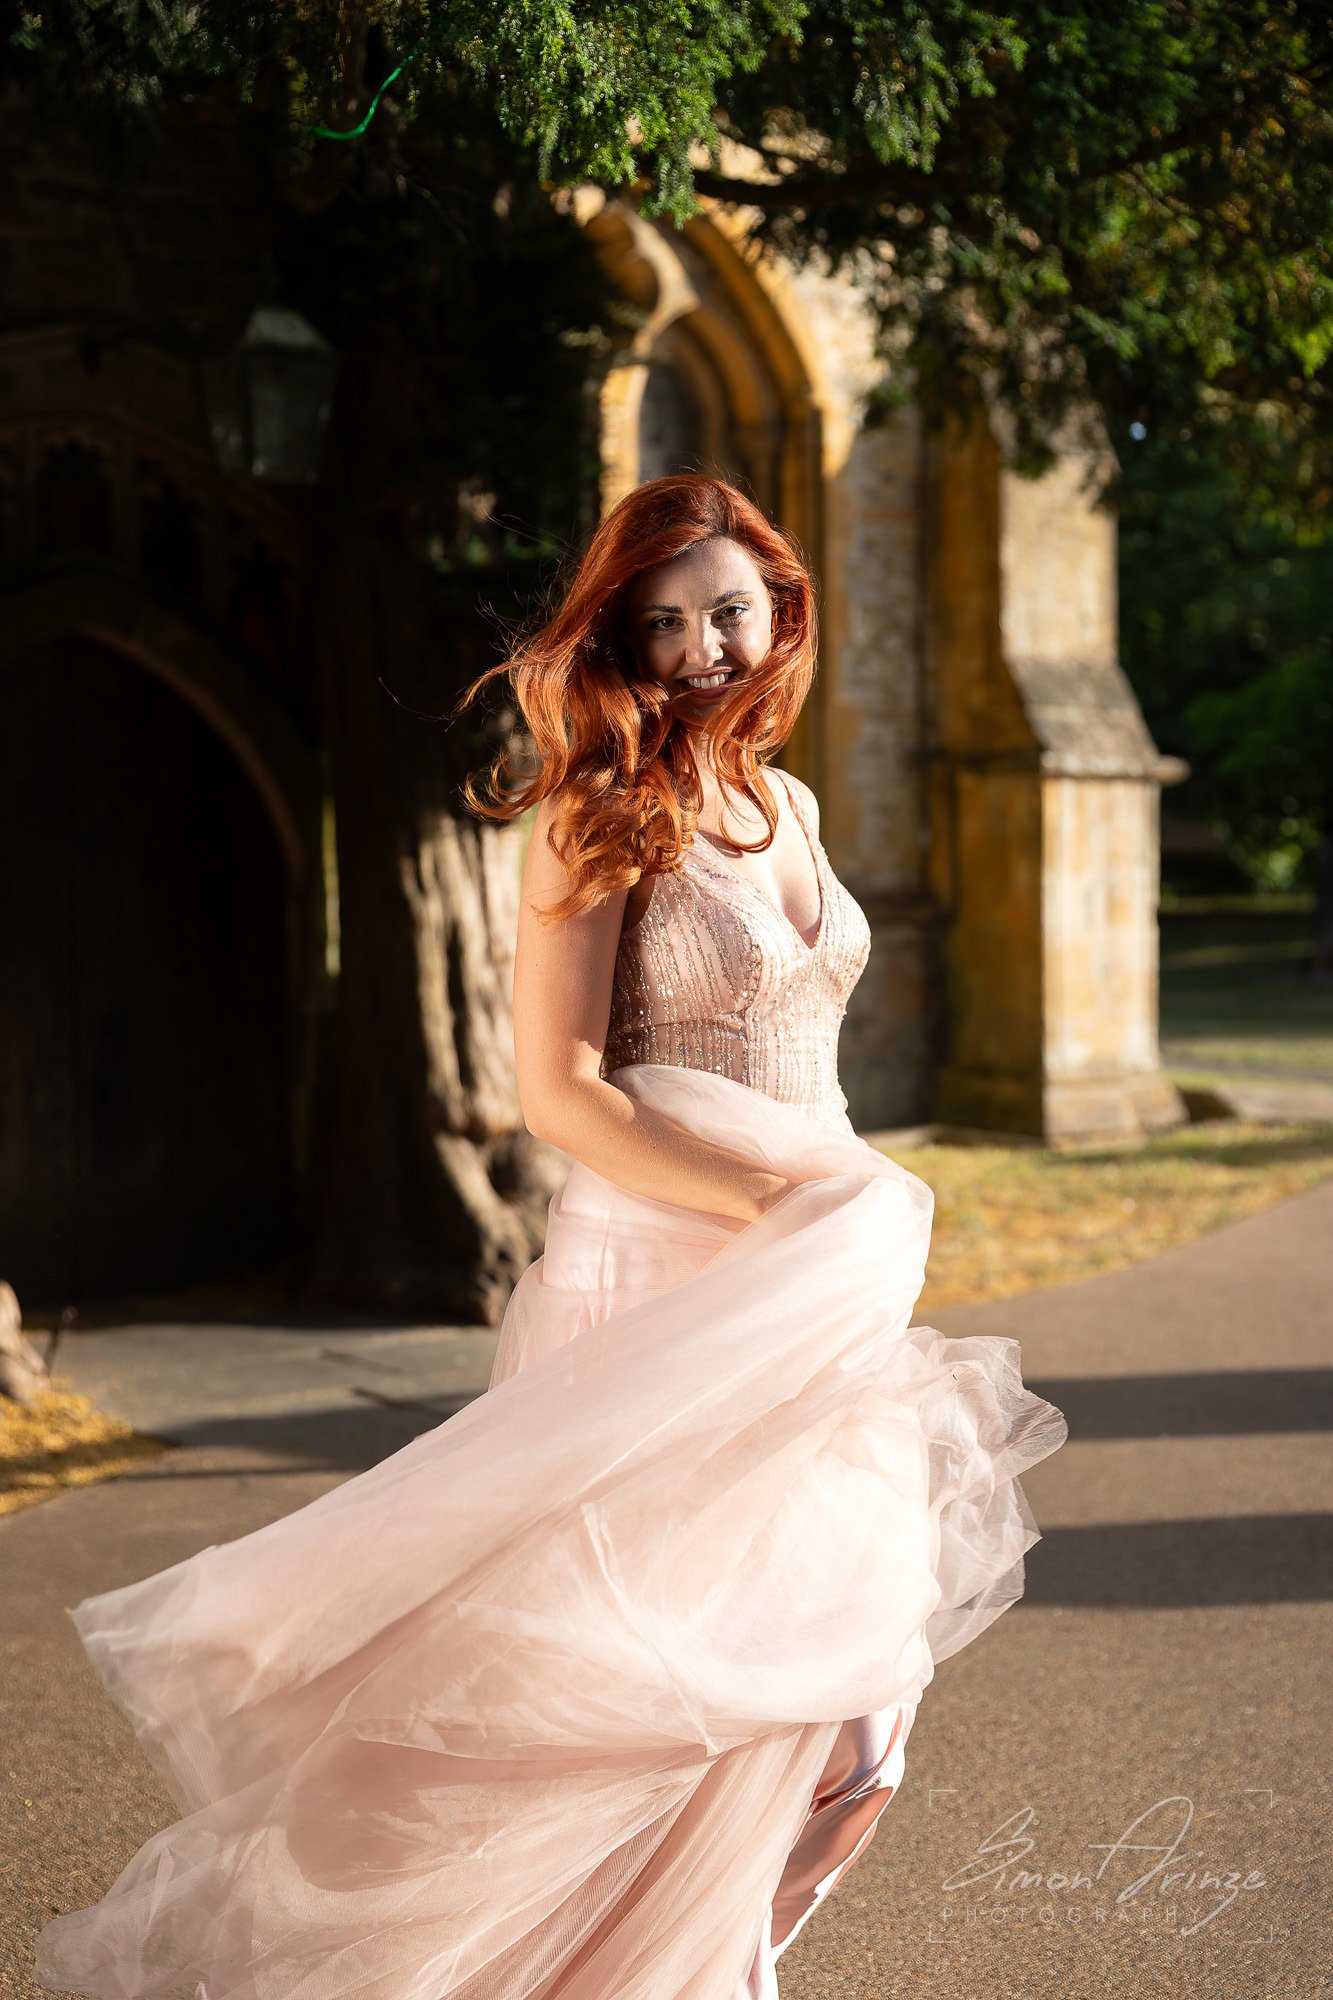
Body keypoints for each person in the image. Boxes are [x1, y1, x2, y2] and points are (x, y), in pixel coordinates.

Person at [37, 475, 1066, 2000]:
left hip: (809, 1313)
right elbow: (559, 1094)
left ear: (779, 606)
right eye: (659, 622)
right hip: (653, 1298)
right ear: (617, 640)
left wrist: (836, 1218)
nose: (702, 645)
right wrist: (783, 1209)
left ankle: (692, 1967)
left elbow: (809, 1066)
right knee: (641, 1707)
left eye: (728, 608)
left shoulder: (787, 804)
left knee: (855, 1721)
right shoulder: (597, 814)